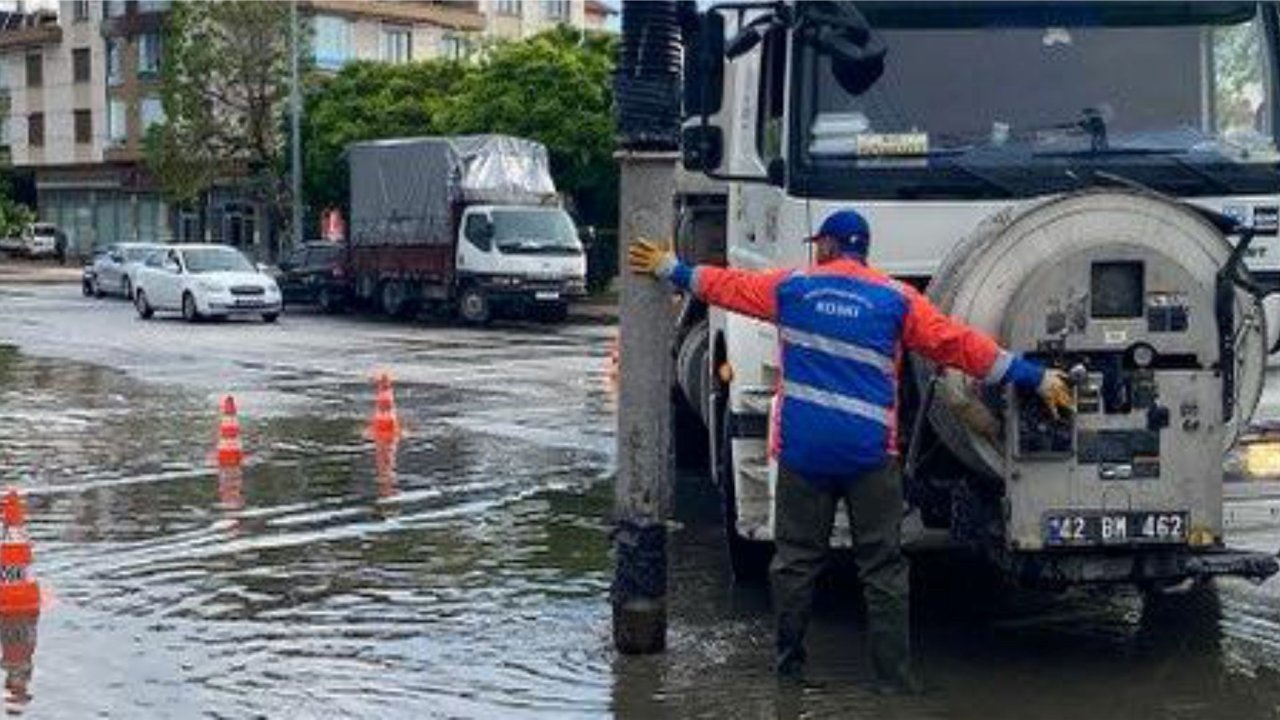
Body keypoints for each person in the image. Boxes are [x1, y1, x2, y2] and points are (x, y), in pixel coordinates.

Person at [628, 209, 1072, 692]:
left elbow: (726, 286)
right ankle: (894, 683)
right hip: (869, 456)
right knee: (882, 569)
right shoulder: (897, 299)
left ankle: (789, 672)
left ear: (830, 247)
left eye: (820, 243)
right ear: (864, 249)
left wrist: (671, 268)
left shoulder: (793, 289)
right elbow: (958, 345)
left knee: (796, 563)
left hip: (804, 454)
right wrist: (1035, 376)